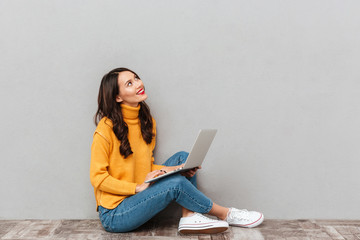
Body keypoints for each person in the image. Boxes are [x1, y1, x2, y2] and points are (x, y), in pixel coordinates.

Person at [90, 67, 264, 234]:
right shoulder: (105, 129)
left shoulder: (146, 122)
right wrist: (136, 188)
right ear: (118, 97)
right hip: (115, 214)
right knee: (176, 184)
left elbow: (145, 167)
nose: (138, 84)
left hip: (139, 200)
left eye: (136, 78)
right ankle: (226, 214)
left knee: (184, 158)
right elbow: (97, 178)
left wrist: (181, 168)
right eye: (129, 83)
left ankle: (189, 216)